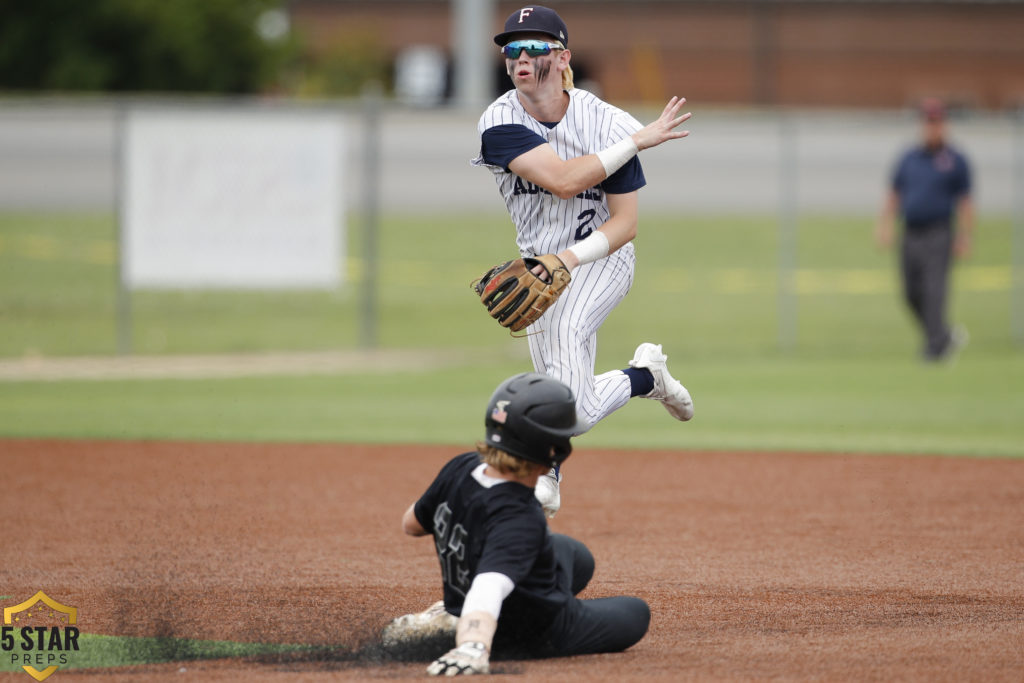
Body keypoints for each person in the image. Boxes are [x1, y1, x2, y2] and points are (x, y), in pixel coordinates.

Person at [471, 5, 695, 517]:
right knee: (563, 399)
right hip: (537, 269)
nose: (520, 57)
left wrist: (569, 260)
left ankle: (547, 466)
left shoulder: (604, 121)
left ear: (563, 56)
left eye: (535, 47)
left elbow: (625, 223)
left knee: (568, 352)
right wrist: (637, 140)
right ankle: (646, 377)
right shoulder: (498, 120)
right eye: (512, 48)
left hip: (602, 257)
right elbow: (566, 179)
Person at [381, 372, 651, 676]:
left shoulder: (460, 466)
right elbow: (488, 588)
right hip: (533, 627)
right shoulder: (521, 517)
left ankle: (449, 612)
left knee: (577, 555)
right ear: (551, 449)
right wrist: (473, 645)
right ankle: (469, 627)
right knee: (637, 612)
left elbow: (412, 524)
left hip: (466, 592)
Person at [876, 97, 974, 362]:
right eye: (928, 122)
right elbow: (894, 193)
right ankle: (943, 335)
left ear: (944, 125)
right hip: (911, 232)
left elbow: (965, 202)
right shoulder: (909, 158)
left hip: (939, 232)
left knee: (934, 291)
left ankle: (934, 349)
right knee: (910, 292)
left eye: (937, 122)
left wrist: (965, 236)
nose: (933, 128)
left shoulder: (955, 160)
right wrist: (885, 226)